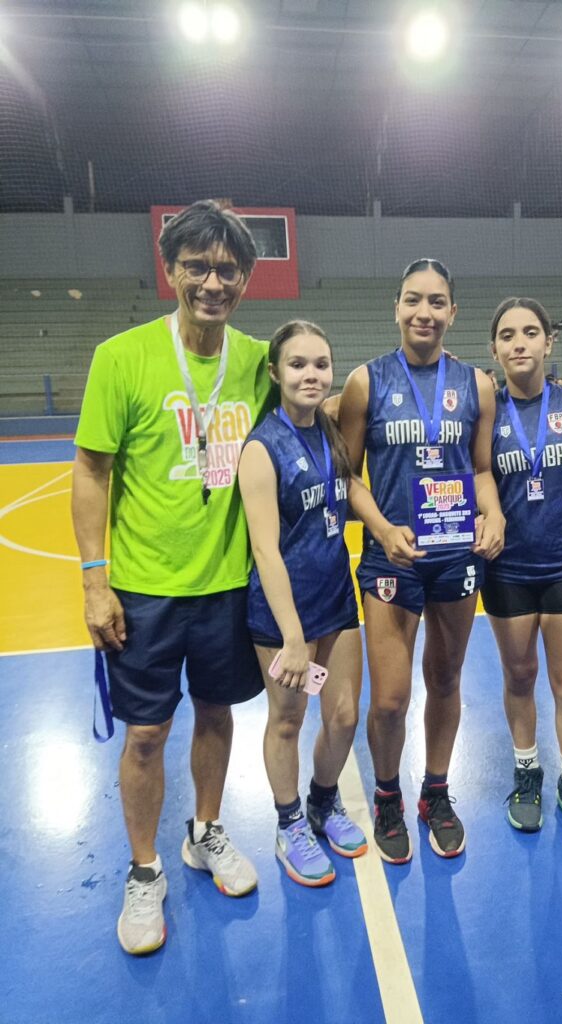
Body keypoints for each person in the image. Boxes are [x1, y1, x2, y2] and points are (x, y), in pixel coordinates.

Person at [72, 199, 271, 955]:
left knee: (217, 715)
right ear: (170, 269)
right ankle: (145, 870)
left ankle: (206, 833)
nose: (212, 282)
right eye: (197, 266)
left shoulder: (256, 360)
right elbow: (91, 470)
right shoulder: (122, 358)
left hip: (226, 584)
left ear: (245, 279)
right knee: (148, 733)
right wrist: (96, 581)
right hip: (147, 589)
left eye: (227, 269)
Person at [339, 258, 506, 864]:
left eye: (437, 302)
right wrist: (381, 527)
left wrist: (496, 515)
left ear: (452, 313)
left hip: (456, 555)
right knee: (388, 698)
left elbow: (482, 469)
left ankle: (435, 792)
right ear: (397, 306)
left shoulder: (477, 386)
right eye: (414, 299)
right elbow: (348, 476)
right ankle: (388, 794)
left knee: (445, 679)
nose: (425, 312)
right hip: (393, 558)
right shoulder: (366, 382)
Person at [238, 321, 370, 887]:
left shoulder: (331, 430)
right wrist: (292, 636)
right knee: (288, 720)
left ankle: (322, 801)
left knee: (343, 715)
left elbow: (349, 489)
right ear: (275, 372)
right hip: (282, 616)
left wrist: (387, 528)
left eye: (320, 363)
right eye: (297, 364)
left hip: (337, 599)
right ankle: (289, 822)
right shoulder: (261, 449)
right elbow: (265, 550)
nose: (310, 374)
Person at [483, 298, 562, 847]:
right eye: (507, 335)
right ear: (494, 349)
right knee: (519, 678)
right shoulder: (485, 417)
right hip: (507, 571)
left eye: (531, 332)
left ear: (549, 341)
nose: (519, 343)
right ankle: (527, 774)